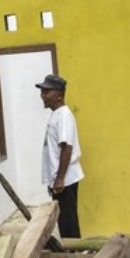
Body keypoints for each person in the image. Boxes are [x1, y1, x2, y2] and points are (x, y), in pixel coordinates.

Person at [36, 74, 83, 238]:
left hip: (66, 178)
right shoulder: (56, 114)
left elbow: (67, 148)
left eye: (47, 92)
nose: (43, 95)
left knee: (68, 221)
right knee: (63, 220)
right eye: (42, 91)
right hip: (59, 178)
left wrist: (60, 178)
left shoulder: (63, 115)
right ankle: (70, 256)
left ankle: (74, 256)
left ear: (59, 95)